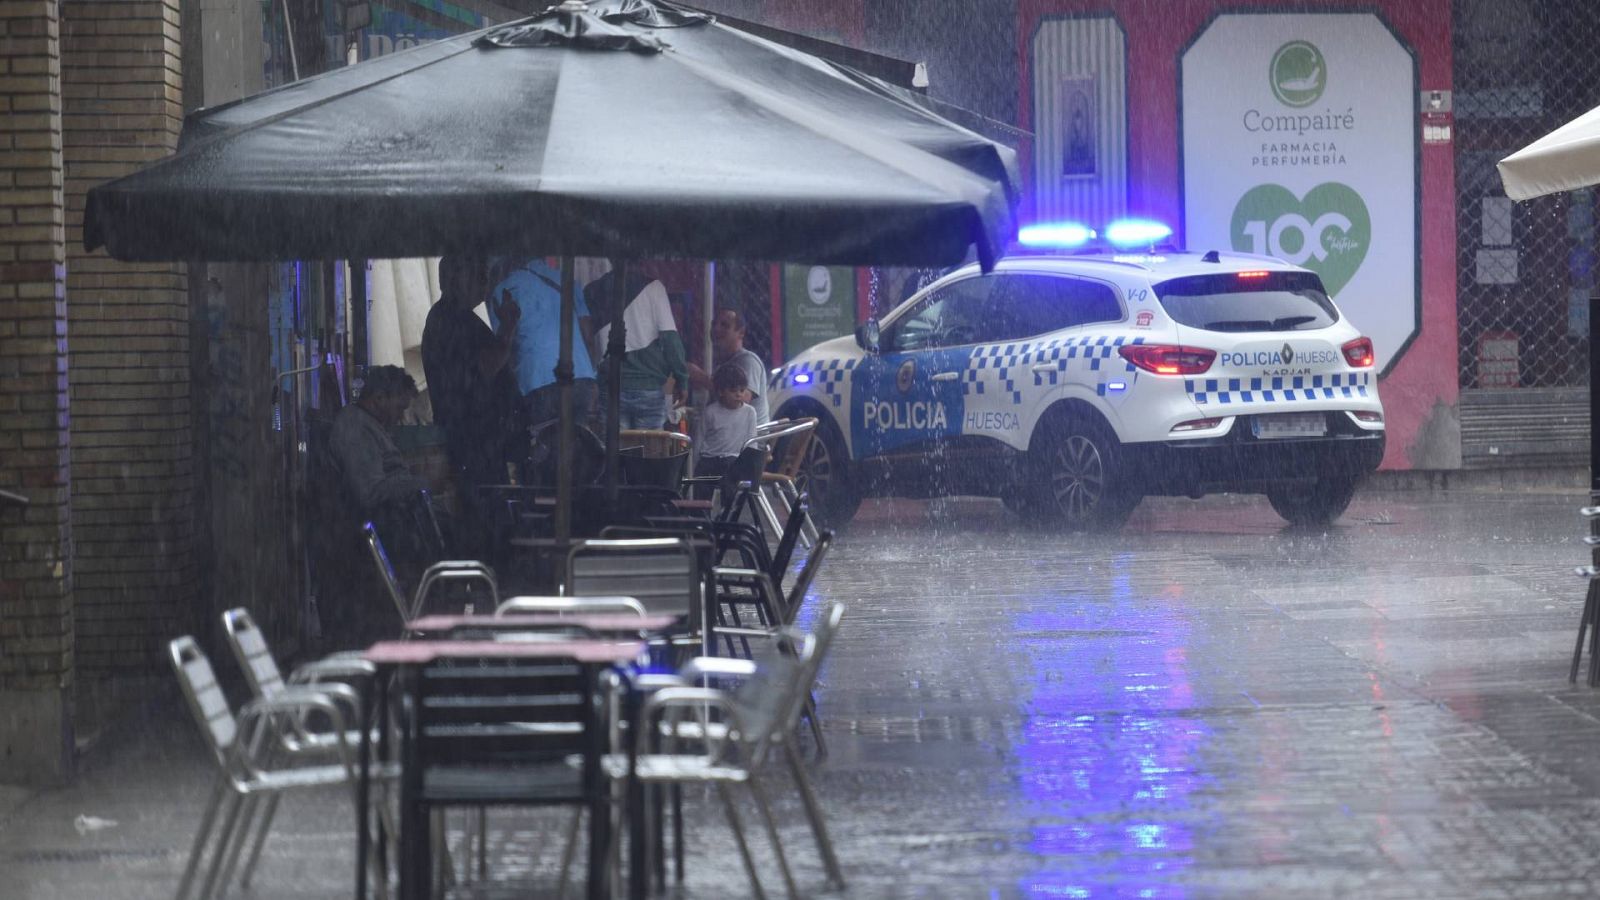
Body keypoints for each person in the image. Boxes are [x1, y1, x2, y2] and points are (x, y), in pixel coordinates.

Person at [421, 255, 520, 549]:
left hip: (482, 436)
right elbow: (487, 366)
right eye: (476, 274)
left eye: (484, 274)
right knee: (482, 513)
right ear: (454, 279)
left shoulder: (459, 318)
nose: (484, 281)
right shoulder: (448, 320)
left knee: (487, 508)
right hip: (471, 436)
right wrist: (509, 326)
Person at [489, 257, 599, 428]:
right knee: (579, 444)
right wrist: (591, 376)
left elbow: (504, 347)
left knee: (546, 446)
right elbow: (589, 337)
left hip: (537, 383)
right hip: (579, 379)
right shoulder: (567, 281)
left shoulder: (502, 291)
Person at [590, 266, 688, 430]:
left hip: (611, 387)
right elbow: (670, 339)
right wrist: (682, 379)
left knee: (615, 451)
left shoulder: (594, 290)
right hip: (648, 387)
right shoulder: (654, 287)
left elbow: (589, 341)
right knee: (648, 451)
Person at [688, 307, 768, 425]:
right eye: (714, 324)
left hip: (746, 440)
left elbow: (741, 400)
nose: (716, 329)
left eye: (725, 325)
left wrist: (702, 378)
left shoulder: (748, 361)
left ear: (741, 333)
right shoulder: (723, 364)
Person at [695, 362, 759, 482]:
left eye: (742, 390)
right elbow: (699, 440)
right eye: (733, 390)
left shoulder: (750, 412)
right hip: (710, 459)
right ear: (721, 392)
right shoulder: (710, 412)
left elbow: (752, 442)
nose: (739, 394)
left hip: (734, 461)